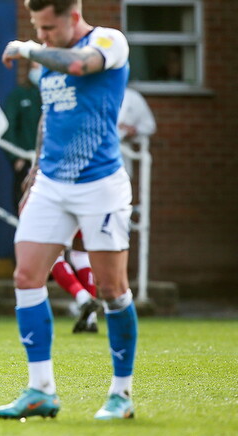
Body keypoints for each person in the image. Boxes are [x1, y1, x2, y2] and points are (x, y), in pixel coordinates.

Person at [0, 0, 138, 421]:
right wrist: (34, 174)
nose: (41, 36)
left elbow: (80, 66)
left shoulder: (110, 42)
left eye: (48, 28)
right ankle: (41, 390)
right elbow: (49, 118)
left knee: (113, 289)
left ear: (73, 17)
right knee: (25, 276)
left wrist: (26, 48)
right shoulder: (45, 60)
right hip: (52, 185)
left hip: (100, 184)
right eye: (35, 28)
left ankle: (122, 394)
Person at [51, 85, 156, 333]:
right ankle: (91, 317)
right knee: (87, 255)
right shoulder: (99, 98)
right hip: (107, 188)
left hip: (75, 186)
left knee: (54, 254)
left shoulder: (74, 98)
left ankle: (82, 298)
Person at [2, 62, 43, 210]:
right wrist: (16, 157)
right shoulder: (19, 95)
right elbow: (8, 127)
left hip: (51, 164)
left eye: (41, 66)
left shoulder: (54, 96)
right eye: (34, 67)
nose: (37, 70)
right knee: (25, 207)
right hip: (27, 162)